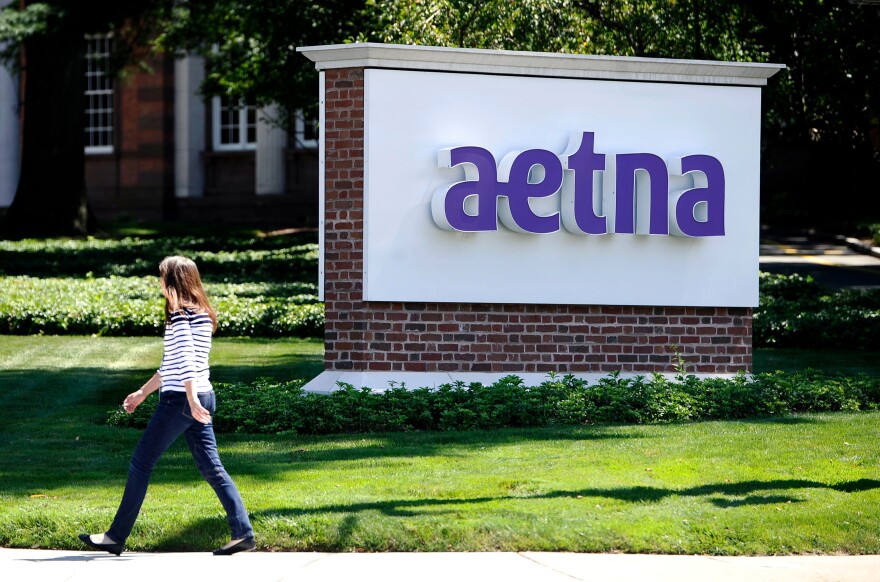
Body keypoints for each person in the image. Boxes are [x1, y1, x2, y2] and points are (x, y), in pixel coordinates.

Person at [79, 256, 255, 556]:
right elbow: (171, 364)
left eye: (162, 278)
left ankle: (115, 536)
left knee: (140, 463)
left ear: (173, 282)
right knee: (211, 467)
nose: (159, 283)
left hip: (181, 400)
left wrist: (189, 398)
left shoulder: (181, 315)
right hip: (200, 395)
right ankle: (243, 534)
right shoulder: (200, 312)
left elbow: (186, 359)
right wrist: (142, 392)